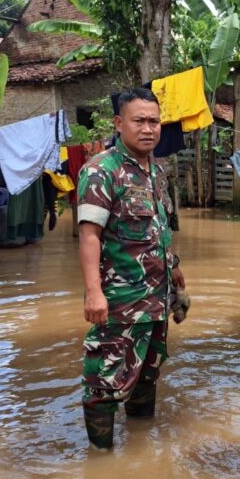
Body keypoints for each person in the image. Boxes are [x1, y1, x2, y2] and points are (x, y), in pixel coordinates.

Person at [77, 87, 185, 449]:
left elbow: (159, 228)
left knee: (147, 374)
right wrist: (93, 292)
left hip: (157, 300)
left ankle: (141, 450)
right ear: (118, 123)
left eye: (154, 121)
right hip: (120, 301)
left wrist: (176, 271)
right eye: (139, 121)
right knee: (104, 382)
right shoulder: (101, 171)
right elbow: (89, 235)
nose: (148, 128)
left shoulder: (158, 170)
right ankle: (100, 459)